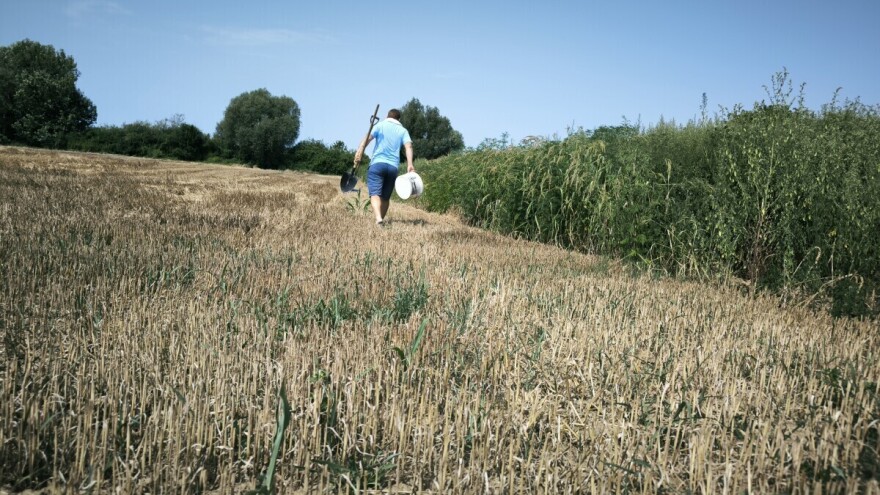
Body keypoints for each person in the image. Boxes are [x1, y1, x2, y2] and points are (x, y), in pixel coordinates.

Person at [353, 109, 414, 226]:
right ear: (399, 119)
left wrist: (360, 150)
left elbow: (367, 139)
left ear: (387, 116)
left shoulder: (380, 125)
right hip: (393, 167)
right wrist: (410, 164)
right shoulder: (403, 130)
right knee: (385, 197)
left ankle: (378, 218)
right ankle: (380, 220)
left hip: (377, 164)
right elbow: (409, 146)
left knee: (375, 193)